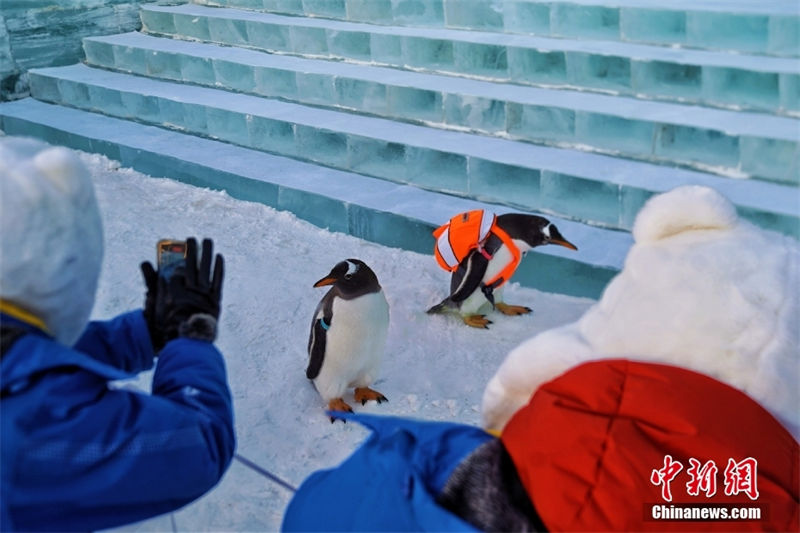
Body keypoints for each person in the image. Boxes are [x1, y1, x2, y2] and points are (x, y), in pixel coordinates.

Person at [0, 137, 235, 531]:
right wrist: (191, 343)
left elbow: (24, 360)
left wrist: (144, 334)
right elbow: (199, 447)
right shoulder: (31, 432)